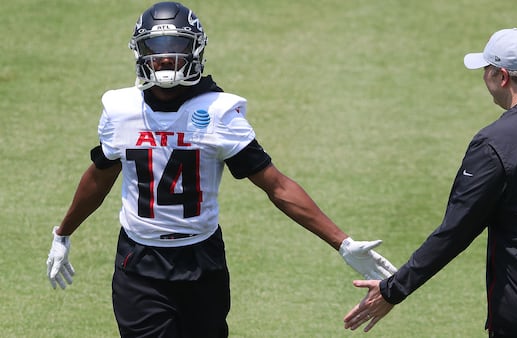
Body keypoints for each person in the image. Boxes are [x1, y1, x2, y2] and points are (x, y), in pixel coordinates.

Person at [45, 2, 397, 337]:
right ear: (140, 52)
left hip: (202, 260)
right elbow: (100, 175)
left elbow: (276, 186)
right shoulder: (121, 109)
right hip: (139, 262)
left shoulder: (219, 112)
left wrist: (342, 242)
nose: (166, 57)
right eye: (157, 47)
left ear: (196, 49)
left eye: (176, 46)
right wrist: (64, 232)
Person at [343, 28, 517, 337]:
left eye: (486, 70)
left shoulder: (494, 143)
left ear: (502, 76)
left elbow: (455, 232)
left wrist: (392, 291)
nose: (484, 78)